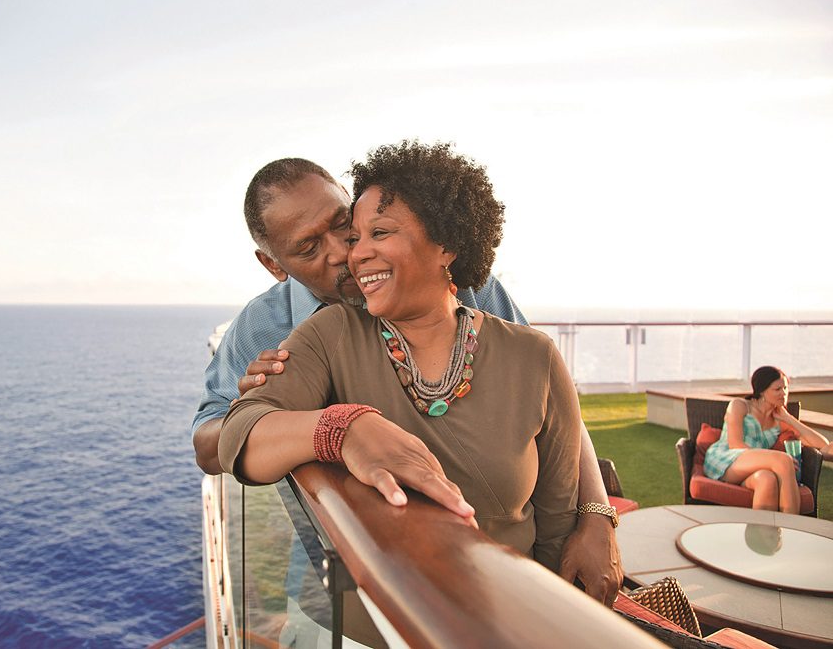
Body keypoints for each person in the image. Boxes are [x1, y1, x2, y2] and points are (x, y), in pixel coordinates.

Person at [191, 156, 622, 604]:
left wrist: (596, 515)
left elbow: (548, 403)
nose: (343, 252)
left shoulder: (463, 285)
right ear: (274, 265)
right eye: (308, 248)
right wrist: (295, 419)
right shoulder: (269, 329)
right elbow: (210, 442)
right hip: (341, 568)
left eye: (345, 225)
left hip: (503, 587)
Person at [703, 365, 831, 514]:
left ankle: (764, 535)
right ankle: (793, 528)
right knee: (783, 460)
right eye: (777, 389)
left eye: (786, 388)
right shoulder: (740, 406)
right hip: (727, 460)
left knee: (767, 479)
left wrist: (789, 418)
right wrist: (771, 460)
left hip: (756, 468)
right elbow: (735, 444)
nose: (783, 393)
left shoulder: (780, 420)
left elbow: (822, 444)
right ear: (762, 391)